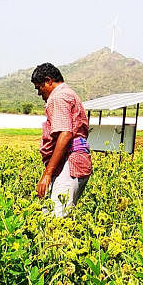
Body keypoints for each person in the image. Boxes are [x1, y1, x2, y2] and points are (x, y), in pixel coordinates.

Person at [30, 62, 92, 217]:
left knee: (56, 220)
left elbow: (65, 134)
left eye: (39, 88)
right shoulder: (69, 94)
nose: (39, 93)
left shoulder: (58, 97)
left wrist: (47, 173)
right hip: (74, 160)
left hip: (69, 162)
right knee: (51, 213)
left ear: (49, 81)